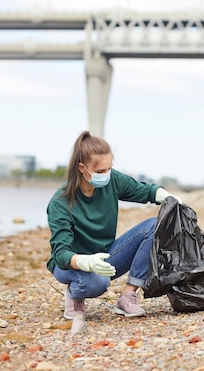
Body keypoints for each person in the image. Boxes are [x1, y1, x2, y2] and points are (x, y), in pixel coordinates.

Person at [46, 131, 182, 320]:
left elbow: (143, 191)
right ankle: (74, 294)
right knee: (97, 282)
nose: (107, 175)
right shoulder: (60, 203)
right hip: (71, 264)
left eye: (109, 168)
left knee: (153, 226)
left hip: (105, 256)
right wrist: (86, 261)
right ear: (82, 168)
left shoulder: (112, 180)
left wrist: (164, 196)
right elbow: (60, 254)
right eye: (100, 171)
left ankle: (127, 296)